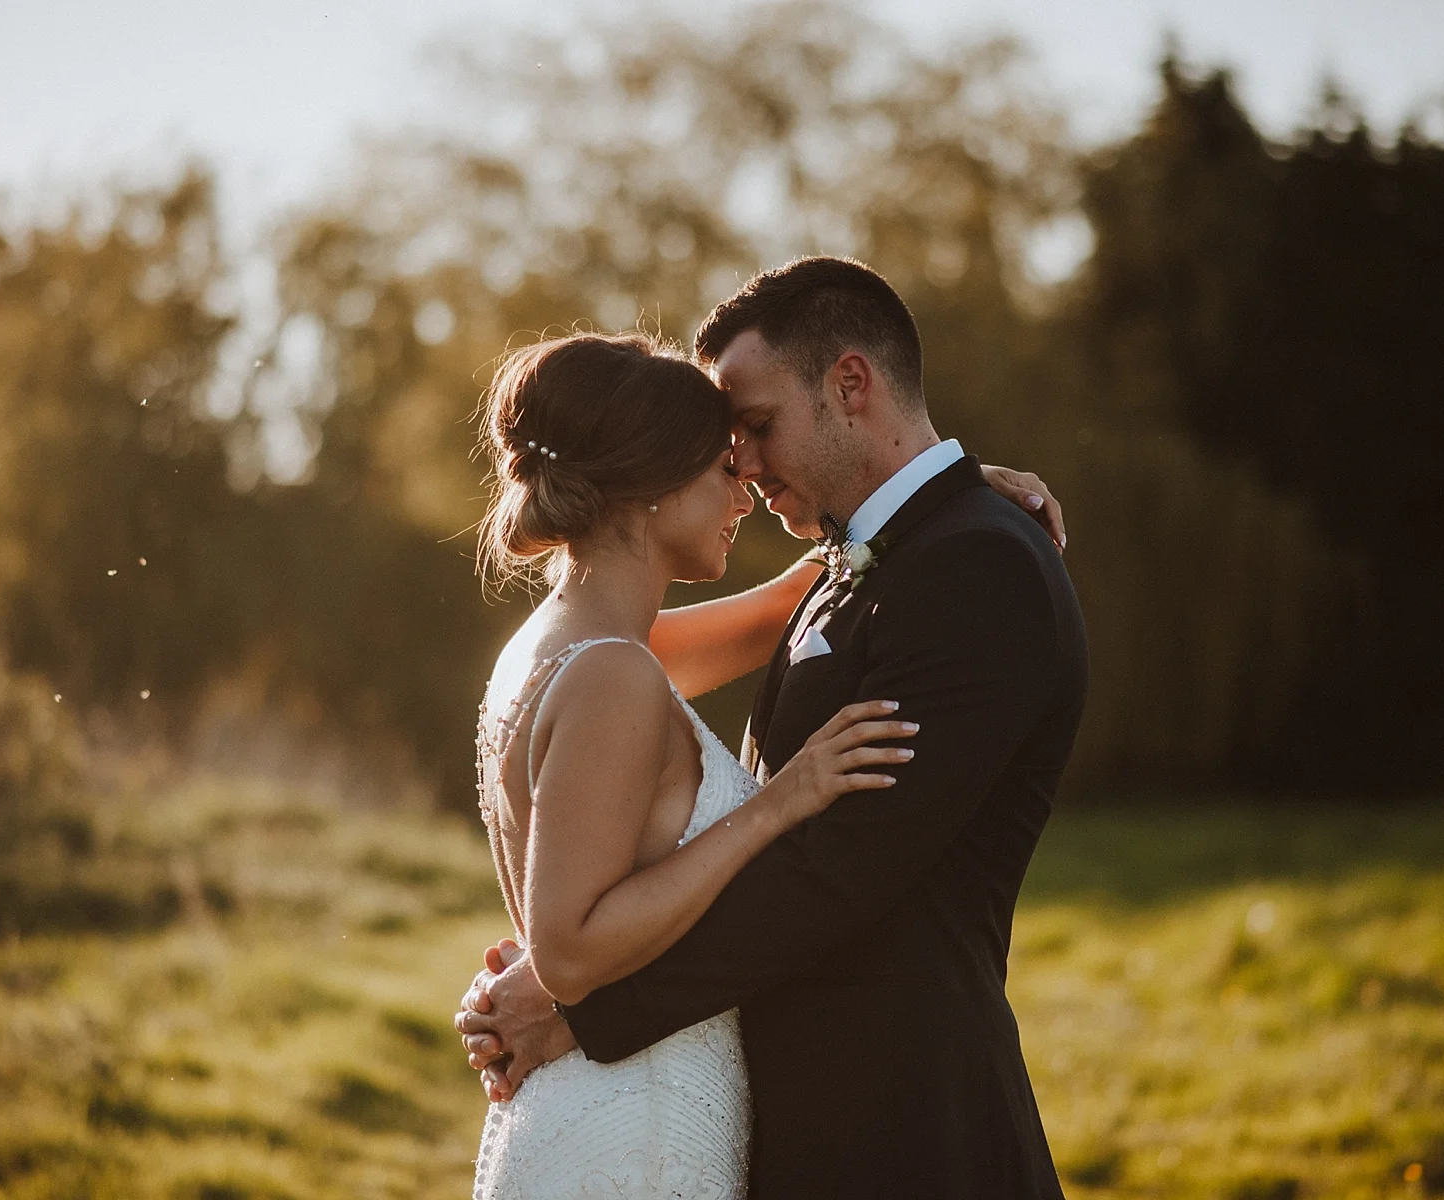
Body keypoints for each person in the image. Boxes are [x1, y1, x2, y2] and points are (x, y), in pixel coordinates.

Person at [459, 257, 1088, 1199]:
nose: (742, 466)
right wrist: (928, 501)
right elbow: (627, 687)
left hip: (900, 1129)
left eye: (754, 429)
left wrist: (582, 1006)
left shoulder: (980, 570)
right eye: (723, 450)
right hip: (713, 1120)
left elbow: (842, 869)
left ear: (850, 385)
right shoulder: (631, 652)